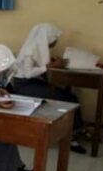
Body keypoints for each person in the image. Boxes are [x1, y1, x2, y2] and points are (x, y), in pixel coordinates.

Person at [13, 23, 86, 153]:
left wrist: (54, 64)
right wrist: (49, 66)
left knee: (70, 96)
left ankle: (72, 131)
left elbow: (40, 67)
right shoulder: (30, 50)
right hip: (25, 86)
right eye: (54, 38)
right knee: (67, 98)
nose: (55, 41)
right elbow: (28, 73)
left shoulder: (39, 48)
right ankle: (72, 137)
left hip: (33, 83)